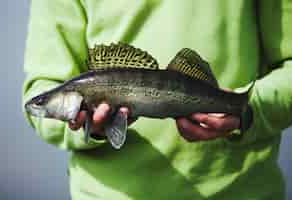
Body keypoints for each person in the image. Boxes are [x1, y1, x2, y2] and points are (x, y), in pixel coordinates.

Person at [23, 0, 292, 199]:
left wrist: (255, 107)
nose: (40, 104)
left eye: (43, 102)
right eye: (44, 102)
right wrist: (90, 129)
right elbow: (41, 87)